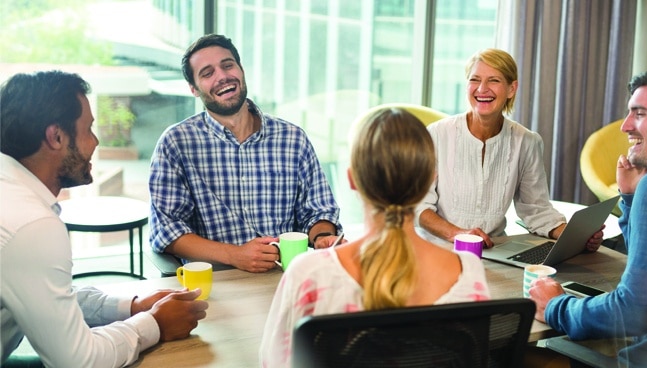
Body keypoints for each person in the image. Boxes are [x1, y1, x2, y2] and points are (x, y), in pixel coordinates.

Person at [0, 70, 209, 367]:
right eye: (88, 129)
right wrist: (155, 324)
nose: (95, 142)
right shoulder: (30, 224)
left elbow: (52, 299)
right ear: (56, 137)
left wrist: (133, 307)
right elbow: (80, 361)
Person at [259, 107, 491, 367]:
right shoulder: (469, 271)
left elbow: (275, 363)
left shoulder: (309, 274)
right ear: (431, 180)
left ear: (352, 180)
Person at [529, 66, 647, 365]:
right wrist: (632, 199)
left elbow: (631, 311)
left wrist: (556, 305)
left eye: (640, 113)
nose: (625, 126)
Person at [149, 34, 342, 273]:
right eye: (207, 73)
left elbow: (319, 210)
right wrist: (235, 255)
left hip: (285, 278)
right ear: (194, 89)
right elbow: (166, 231)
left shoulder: (292, 138)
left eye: (228, 65)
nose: (222, 76)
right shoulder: (176, 143)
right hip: (217, 283)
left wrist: (322, 236)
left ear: (241, 70)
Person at [416, 48, 603, 249]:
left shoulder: (527, 142)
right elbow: (419, 207)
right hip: (437, 248)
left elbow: (536, 209)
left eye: (494, 81)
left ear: (511, 89)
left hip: (493, 252)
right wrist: (459, 234)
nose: (482, 89)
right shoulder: (435, 135)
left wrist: (576, 236)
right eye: (475, 80)